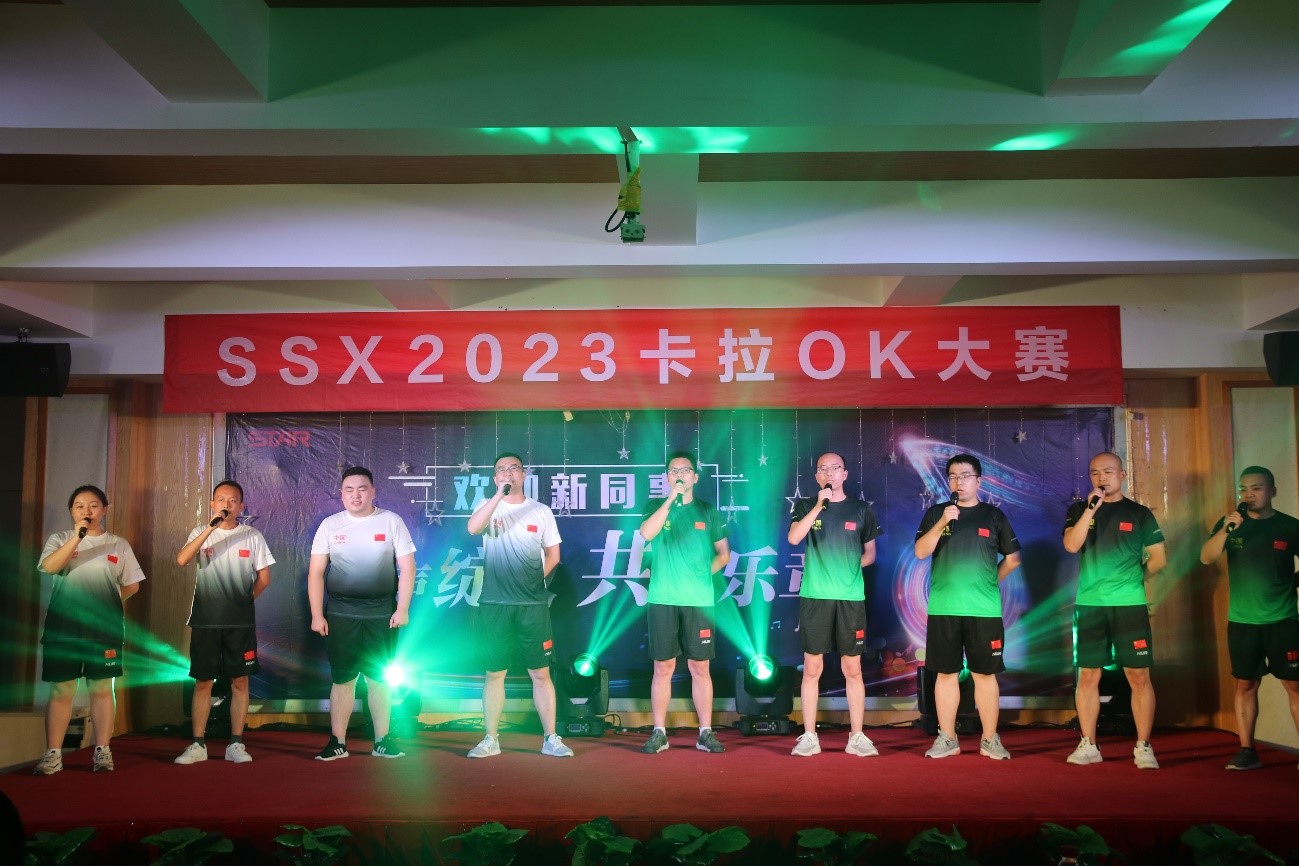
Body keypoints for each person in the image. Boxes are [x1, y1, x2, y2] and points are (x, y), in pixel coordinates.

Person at [464, 452, 572, 759]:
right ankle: (490, 739)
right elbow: (473, 528)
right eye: (501, 470)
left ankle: (551, 738)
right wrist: (498, 496)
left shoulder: (540, 511)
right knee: (494, 673)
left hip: (532, 605)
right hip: (494, 603)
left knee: (540, 673)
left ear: (524, 474)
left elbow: (553, 556)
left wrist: (535, 582)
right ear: (495, 478)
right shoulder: (487, 505)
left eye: (513, 468)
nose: (508, 473)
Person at [913, 454, 1021, 761]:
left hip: (983, 610)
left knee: (985, 675)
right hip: (944, 609)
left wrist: (989, 581)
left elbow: (1013, 559)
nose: (959, 482)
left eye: (965, 476)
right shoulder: (937, 513)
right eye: (953, 477)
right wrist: (943, 522)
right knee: (945, 674)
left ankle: (990, 739)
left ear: (978, 481)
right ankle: (947, 738)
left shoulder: (993, 516)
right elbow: (920, 551)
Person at [1063, 451, 1166, 769]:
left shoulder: (1139, 513)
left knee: (1138, 675)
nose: (1101, 477)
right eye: (1095, 472)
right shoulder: (1079, 510)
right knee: (1088, 675)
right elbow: (1071, 545)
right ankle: (1089, 744)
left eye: (1108, 471)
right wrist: (1090, 511)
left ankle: (1143, 746)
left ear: (1122, 475)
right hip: (1090, 606)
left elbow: (1159, 559)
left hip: (1129, 606)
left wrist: (1135, 580)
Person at [33, 485, 145, 775]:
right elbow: (49, 567)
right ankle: (53, 754)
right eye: (80, 506)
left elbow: (132, 585)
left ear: (104, 509)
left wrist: (102, 606)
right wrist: (76, 538)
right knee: (61, 690)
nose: (87, 511)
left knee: (102, 689)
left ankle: (102, 750)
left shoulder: (118, 544)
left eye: (93, 505)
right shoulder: (60, 539)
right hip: (63, 629)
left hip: (104, 630)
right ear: (72, 511)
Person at [307, 466, 416, 761]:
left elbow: (407, 568)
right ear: (341, 494)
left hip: (382, 614)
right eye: (349, 490)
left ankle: (382, 741)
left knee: (379, 679)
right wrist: (317, 614)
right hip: (341, 614)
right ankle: (337, 742)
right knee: (343, 679)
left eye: (362, 489)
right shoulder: (330, 525)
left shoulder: (391, 521)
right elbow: (316, 573)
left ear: (373, 492)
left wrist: (402, 608)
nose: (356, 495)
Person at [1198, 465, 1299, 770]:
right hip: (1242, 622)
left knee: (1294, 685)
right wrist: (1226, 530)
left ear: (1272, 491)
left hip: (1283, 620)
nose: (1249, 494)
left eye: (1256, 488)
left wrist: (1292, 582)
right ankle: (1247, 750)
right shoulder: (1231, 524)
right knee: (1245, 684)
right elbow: (1206, 557)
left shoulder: (1289, 526)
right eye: (1243, 488)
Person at [173, 480, 275, 765]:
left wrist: (242, 602)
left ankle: (236, 743)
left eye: (232, 500)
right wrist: (210, 528)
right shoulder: (201, 532)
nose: (226, 504)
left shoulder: (252, 536)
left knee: (240, 681)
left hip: (239, 625)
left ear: (241, 506)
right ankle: (198, 744)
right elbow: (182, 559)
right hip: (205, 621)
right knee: (203, 681)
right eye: (220, 499)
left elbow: (264, 579)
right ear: (212, 504)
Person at [786, 452, 881, 757]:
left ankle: (857, 736)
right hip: (815, 597)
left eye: (835, 468)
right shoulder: (805, 506)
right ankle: (809, 736)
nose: (829, 473)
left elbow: (870, 555)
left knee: (852, 668)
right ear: (817, 477)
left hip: (850, 598)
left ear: (845, 474)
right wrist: (818, 506)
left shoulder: (861, 509)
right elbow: (794, 538)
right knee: (812, 667)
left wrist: (846, 570)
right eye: (823, 469)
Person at [639, 451, 731, 754]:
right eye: (673, 471)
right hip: (663, 598)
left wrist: (701, 575)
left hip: (698, 600)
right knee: (662, 666)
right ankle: (659, 732)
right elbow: (646, 533)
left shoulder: (707, 511)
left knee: (700, 666)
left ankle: (705, 732)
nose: (679, 475)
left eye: (685, 470)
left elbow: (724, 554)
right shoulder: (655, 507)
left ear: (695, 477)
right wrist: (670, 500)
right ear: (667, 477)